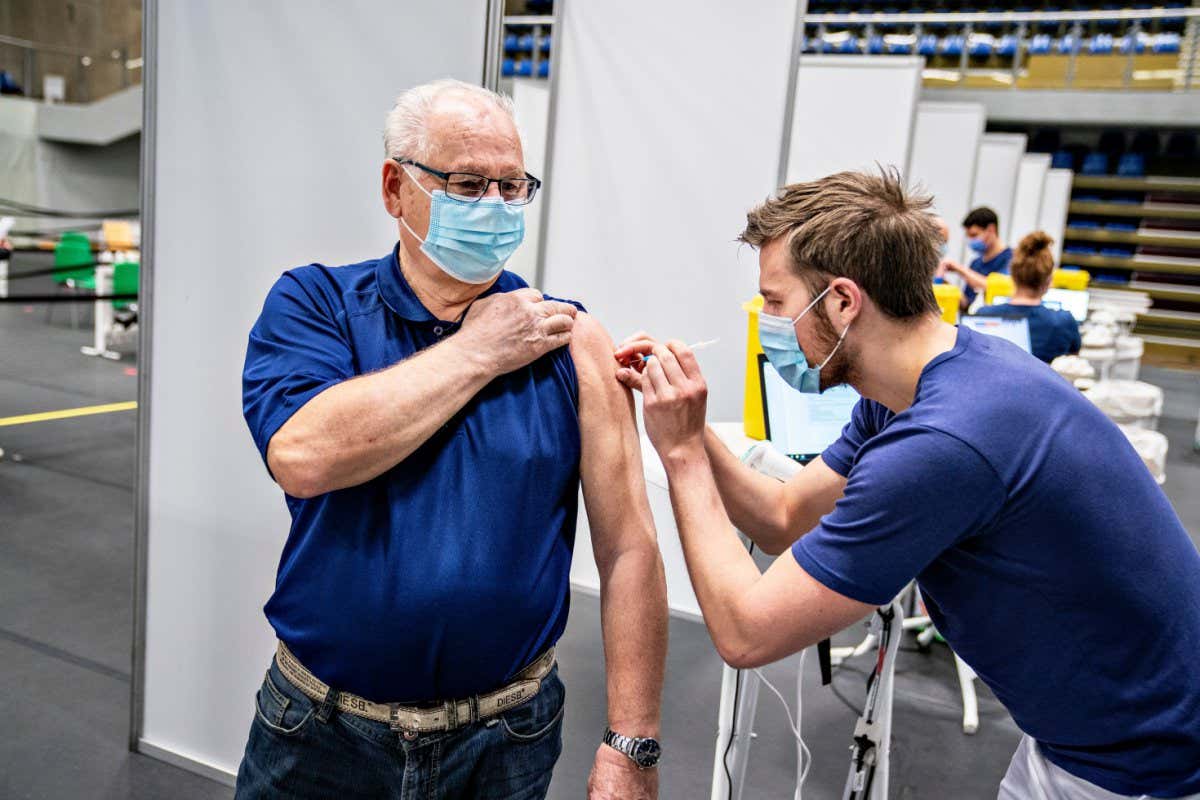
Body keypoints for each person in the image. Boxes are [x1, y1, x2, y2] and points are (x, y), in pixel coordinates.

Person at [614, 168, 1200, 799]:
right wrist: (693, 428)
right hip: (1090, 731)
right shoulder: (922, 383)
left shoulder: (942, 443)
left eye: (778, 302)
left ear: (842, 300)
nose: (769, 321)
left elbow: (746, 631)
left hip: (1142, 767)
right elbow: (784, 514)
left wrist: (680, 454)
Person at [236, 79, 666, 800]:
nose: (494, 208)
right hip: (321, 731)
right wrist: (478, 351)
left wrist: (632, 745)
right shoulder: (316, 305)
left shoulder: (570, 338)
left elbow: (629, 547)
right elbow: (303, 457)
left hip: (503, 740)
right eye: (468, 183)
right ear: (394, 189)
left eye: (511, 186)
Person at [974, 231, 1081, 363]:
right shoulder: (1063, 322)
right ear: (1048, 281)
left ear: (1013, 275)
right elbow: (1073, 365)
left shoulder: (984, 315)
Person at [942, 206, 1013, 310]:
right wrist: (945, 284)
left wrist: (959, 269)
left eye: (974, 235)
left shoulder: (1011, 259)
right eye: (968, 236)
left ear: (991, 230)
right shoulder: (976, 264)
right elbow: (966, 303)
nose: (971, 240)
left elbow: (995, 287)